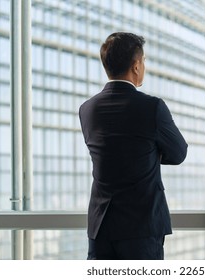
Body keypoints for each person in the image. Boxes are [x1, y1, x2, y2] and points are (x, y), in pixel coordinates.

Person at [79, 32, 188, 260]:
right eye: (144, 61)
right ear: (136, 65)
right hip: (142, 229)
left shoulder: (87, 110)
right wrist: (149, 152)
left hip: (101, 229)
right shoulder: (152, 107)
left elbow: (110, 153)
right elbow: (178, 153)